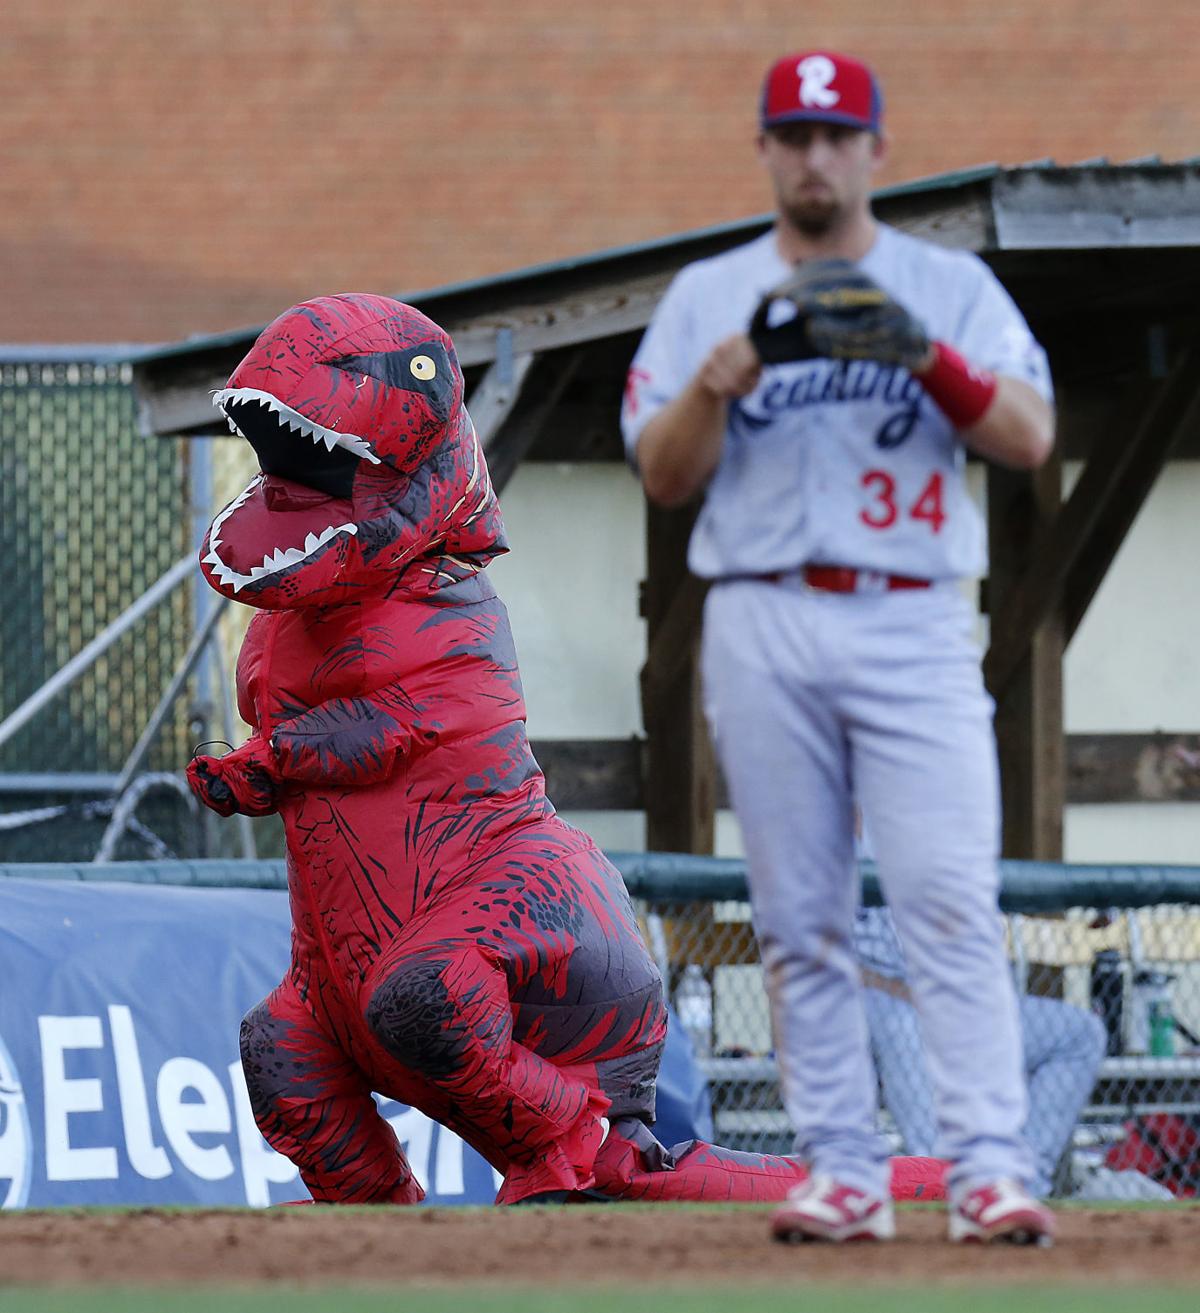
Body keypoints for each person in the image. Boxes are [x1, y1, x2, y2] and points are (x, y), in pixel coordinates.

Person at [186, 292, 947, 1209]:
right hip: (347, 965)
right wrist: (272, 762)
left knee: (423, 995)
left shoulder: (451, 612)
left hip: (532, 932)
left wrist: (278, 758)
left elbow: (405, 727)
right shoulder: (280, 633)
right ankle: (376, 1218)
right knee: (281, 1051)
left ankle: (567, 1139)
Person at [621, 50, 1057, 1243]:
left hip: (911, 612)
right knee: (797, 909)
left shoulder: (947, 284)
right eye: (794, 135)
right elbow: (662, 470)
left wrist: (926, 353)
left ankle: (986, 1165)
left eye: (836, 135)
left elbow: (1027, 433)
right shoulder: (710, 294)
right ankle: (843, 1169)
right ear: (765, 148)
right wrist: (719, 381)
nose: (816, 157)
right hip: (761, 608)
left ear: (875, 149)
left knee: (948, 897)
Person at [856, 905, 1107, 1198]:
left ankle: (1020, 1186)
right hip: (876, 1000)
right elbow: (811, 957)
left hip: (954, 1005)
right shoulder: (835, 861)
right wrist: (906, 995)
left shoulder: (941, 863)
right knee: (903, 1024)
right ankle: (937, 1180)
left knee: (1080, 1033)